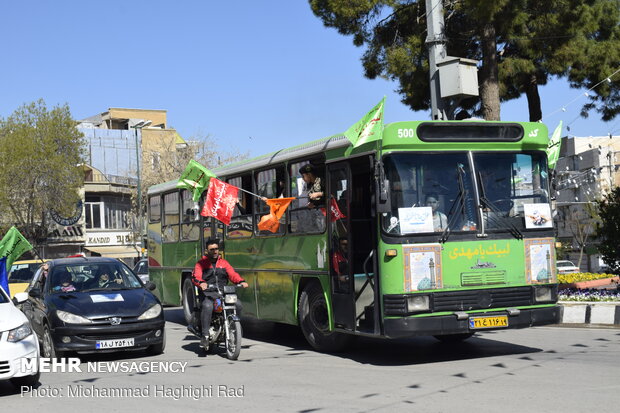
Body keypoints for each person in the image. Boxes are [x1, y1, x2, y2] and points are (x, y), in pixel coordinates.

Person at [191, 238, 248, 350]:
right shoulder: (201, 264)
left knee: (238, 304)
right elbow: (196, 277)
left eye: (216, 249)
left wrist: (241, 281)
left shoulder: (224, 263)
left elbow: (232, 274)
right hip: (208, 294)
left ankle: (234, 326)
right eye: (212, 249)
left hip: (223, 293)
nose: (215, 251)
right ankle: (205, 335)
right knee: (207, 306)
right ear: (207, 250)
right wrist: (202, 283)